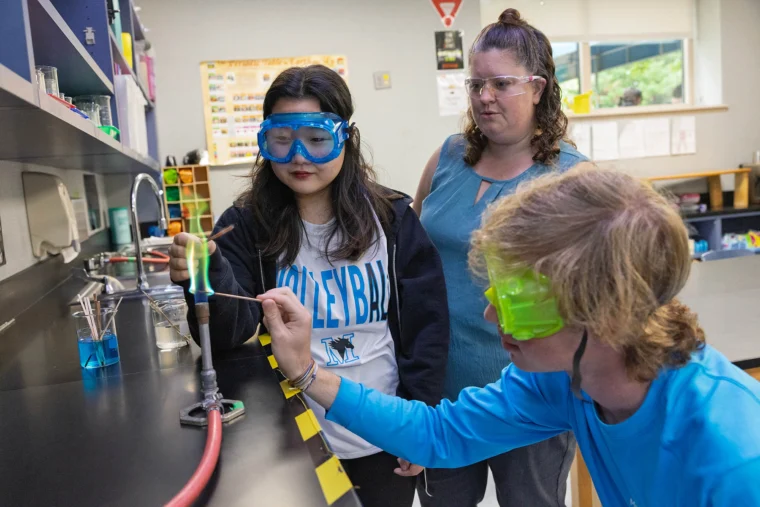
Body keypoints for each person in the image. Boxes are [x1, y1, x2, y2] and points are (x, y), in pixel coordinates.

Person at [260, 167, 760, 507]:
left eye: (516, 296)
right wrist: (307, 371)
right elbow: (439, 436)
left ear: (602, 309)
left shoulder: (734, 457)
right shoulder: (569, 380)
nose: (488, 310)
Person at [168, 65, 450, 507]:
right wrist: (207, 273)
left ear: (346, 138)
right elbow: (226, 337)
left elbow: (427, 328)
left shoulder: (393, 219)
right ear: (266, 142)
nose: (299, 156)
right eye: (283, 139)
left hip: (382, 432)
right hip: (293, 438)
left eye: (317, 139)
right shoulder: (244, 226)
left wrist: (419, 421)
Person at [412, 8, 585, 506]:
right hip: (443, 390)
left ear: (538, 87)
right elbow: (417, 257)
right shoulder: (447, 156)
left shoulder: (569, 178)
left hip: (530, 395)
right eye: (476, 84)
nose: (485, 97)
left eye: (501, 83)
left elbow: (594, 294)